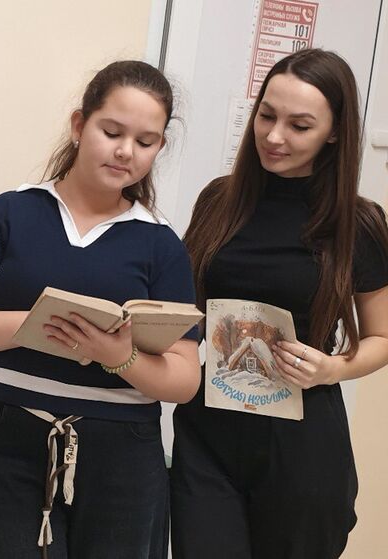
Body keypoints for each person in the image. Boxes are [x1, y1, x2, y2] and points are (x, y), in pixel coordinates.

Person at [0, 60, 200, 559]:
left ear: (159, 148)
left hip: (124, 456)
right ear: (79, 125)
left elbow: (184, 379)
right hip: (7, 444)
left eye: (145, 142)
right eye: (111, 132)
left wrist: (117, 356)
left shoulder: (161, 245)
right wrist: (37, 325)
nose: (125, 151)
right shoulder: (11, 211)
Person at [171, 48, 388, 559]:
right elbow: (183, 308)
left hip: (302, 440)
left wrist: (333, 368)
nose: (273, 136)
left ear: (333, 133)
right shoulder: (219, 201)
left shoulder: (358, 224)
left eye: (299, 125)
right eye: (266, 115)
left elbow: (382, 337)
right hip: (209, 432)